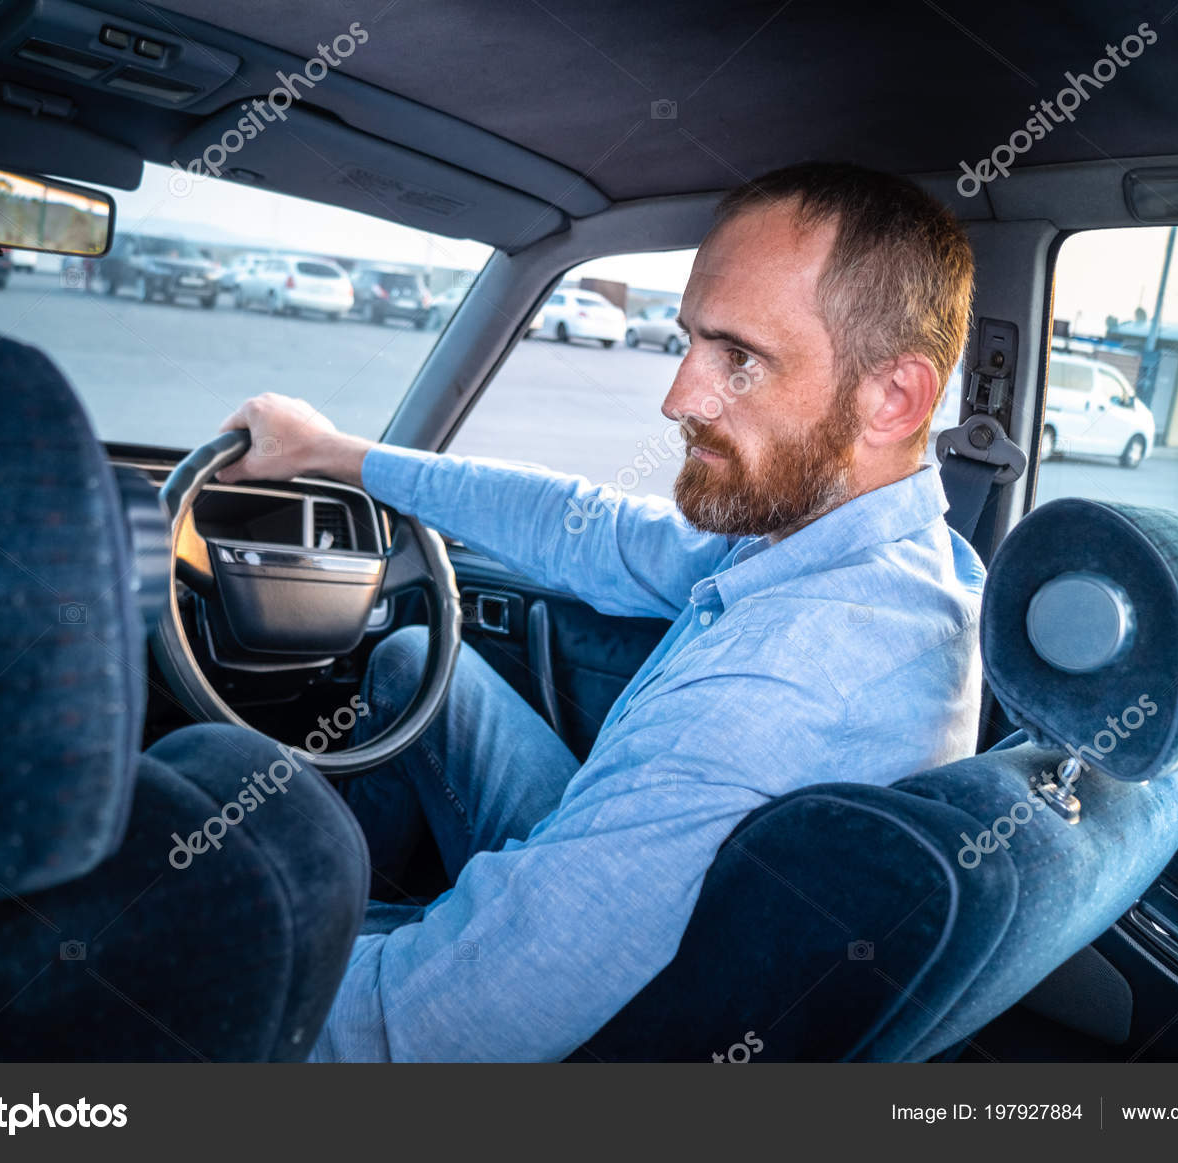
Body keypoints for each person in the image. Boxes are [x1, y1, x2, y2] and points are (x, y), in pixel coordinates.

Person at [217, 162, 985, 1061]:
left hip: (602, 1025)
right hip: (659, 906)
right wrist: (336, 454)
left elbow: (431, 1030)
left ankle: (379, 925)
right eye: (691, 341)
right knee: (413, 659)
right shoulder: (879, 548)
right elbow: (591, 532)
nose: (680, 398)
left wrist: (190, 978)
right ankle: (405, 913)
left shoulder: (780, 689)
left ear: (893, 398)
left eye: (739, 358)